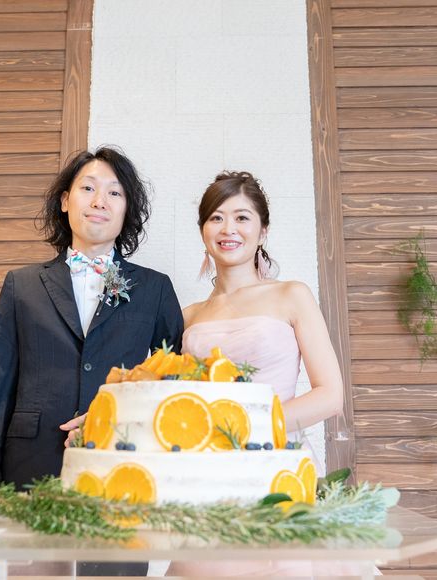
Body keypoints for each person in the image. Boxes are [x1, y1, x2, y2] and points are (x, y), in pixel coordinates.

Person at [0, 146, 183, 576]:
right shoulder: (22, 285)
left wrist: (113, 419)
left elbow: (175, 387)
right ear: (65, 201)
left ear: (126, 210)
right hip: (29, 470)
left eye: (115, 193)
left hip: (121, 473)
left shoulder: (155, 289)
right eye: (88, 188)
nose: (100, 201)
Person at [166, 170, 348, 577]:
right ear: (203, 231)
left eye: (242, 217)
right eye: (216, 218)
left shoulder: (291, 295)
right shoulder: (188, 315)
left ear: (263, 231)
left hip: (277, 463)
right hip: (207, 475)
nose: (228, 228)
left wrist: (248, 428)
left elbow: (330, 394)